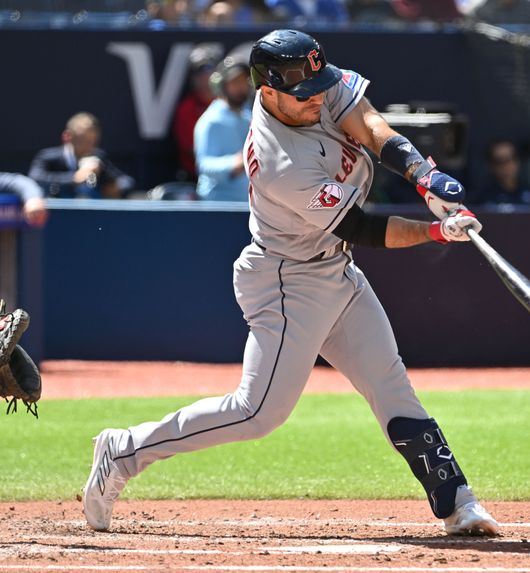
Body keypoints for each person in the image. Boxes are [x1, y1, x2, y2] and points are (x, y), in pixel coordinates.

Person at [82, 29, 499, 538]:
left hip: (334, 269)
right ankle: (123, 452)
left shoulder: (312, 84)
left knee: (392, 387)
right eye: (305, 94)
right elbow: (362, 229)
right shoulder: (279, 161)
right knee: (256, 413)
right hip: (287, 280)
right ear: (268, 92)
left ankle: (459, 503)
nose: (318, 98)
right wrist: (435, 230)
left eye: (320, 85)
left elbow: (368, 123)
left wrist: (421, 174)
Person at [28, 113, 135, 199]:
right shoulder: (48, 157)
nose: (89, 147)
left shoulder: (98, 158)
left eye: (93, 142)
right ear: (67, 137)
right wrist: (75, 178)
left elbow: (126, 181)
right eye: (83, 141)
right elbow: (35, 178)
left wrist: (114, 188)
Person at [194, 55, 253, 201]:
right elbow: (204, 165)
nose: (241, 87)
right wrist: (236, 162)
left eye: (244, 82)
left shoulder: (249, 117)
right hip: (219, 207)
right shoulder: (211, 121)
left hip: (249, 205)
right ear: (221, 85)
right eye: (235, 82)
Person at [173, 43, 224, 180]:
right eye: (200, 75)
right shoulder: (186, 109)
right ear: (193, 79)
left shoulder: (230, 106)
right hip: (195, 179)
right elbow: (194, 151)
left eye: (210, 74)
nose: (205, 80)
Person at [478, 140, 530, 205]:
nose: (507, 165)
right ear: (490, 166)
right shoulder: (481, 198)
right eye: (500, 161)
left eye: (511, 158)